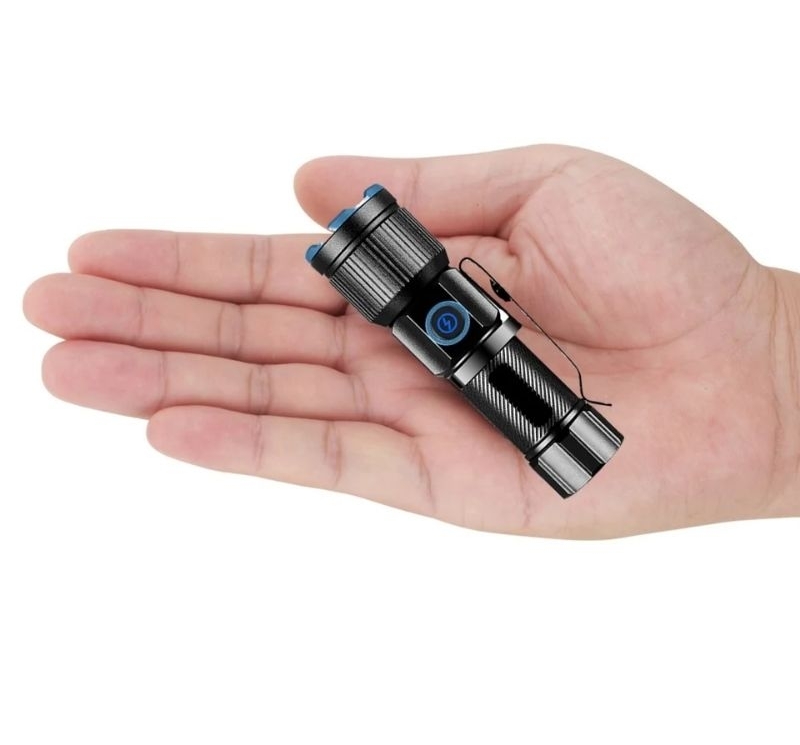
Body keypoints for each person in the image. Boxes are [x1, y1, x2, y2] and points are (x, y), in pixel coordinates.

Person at [22, 145, 800, 537]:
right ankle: (570, 440)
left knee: (469, 348)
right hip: (457, 334)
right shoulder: (421, 307)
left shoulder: (438, 299)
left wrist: (774, 355)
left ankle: (575, 440)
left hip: (481, 344)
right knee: (459, 343)